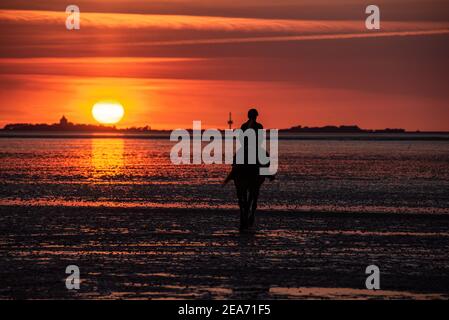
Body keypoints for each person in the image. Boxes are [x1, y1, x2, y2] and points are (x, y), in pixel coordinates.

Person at [224, 108, 274, 231]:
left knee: (236, 158)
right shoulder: (258, 126)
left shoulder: (243, 125)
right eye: (255, 116)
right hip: (255, 147)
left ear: (248, 116)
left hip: (245, 147)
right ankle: (269, 174)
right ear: (256, 116)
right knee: (266, 157)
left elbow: (241, 139)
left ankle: (234, 172)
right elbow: (260, 140)